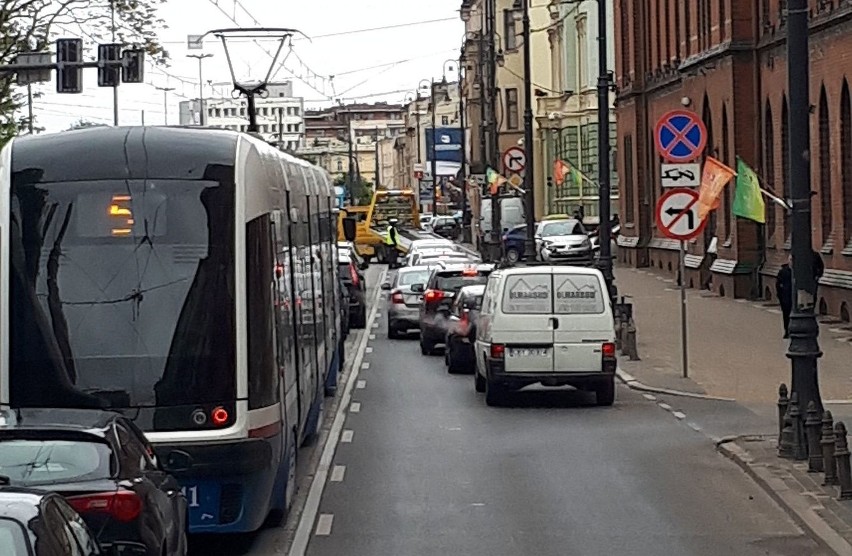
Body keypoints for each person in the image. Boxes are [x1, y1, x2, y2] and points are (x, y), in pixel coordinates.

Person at [776, 255, 793, 338]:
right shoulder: (783, 271)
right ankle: (787, 331)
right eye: (791, 260)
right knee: (786, 315)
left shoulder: (799, 271)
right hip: (785, 298)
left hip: (795, 298)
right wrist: (780, 296)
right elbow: (778, 285)